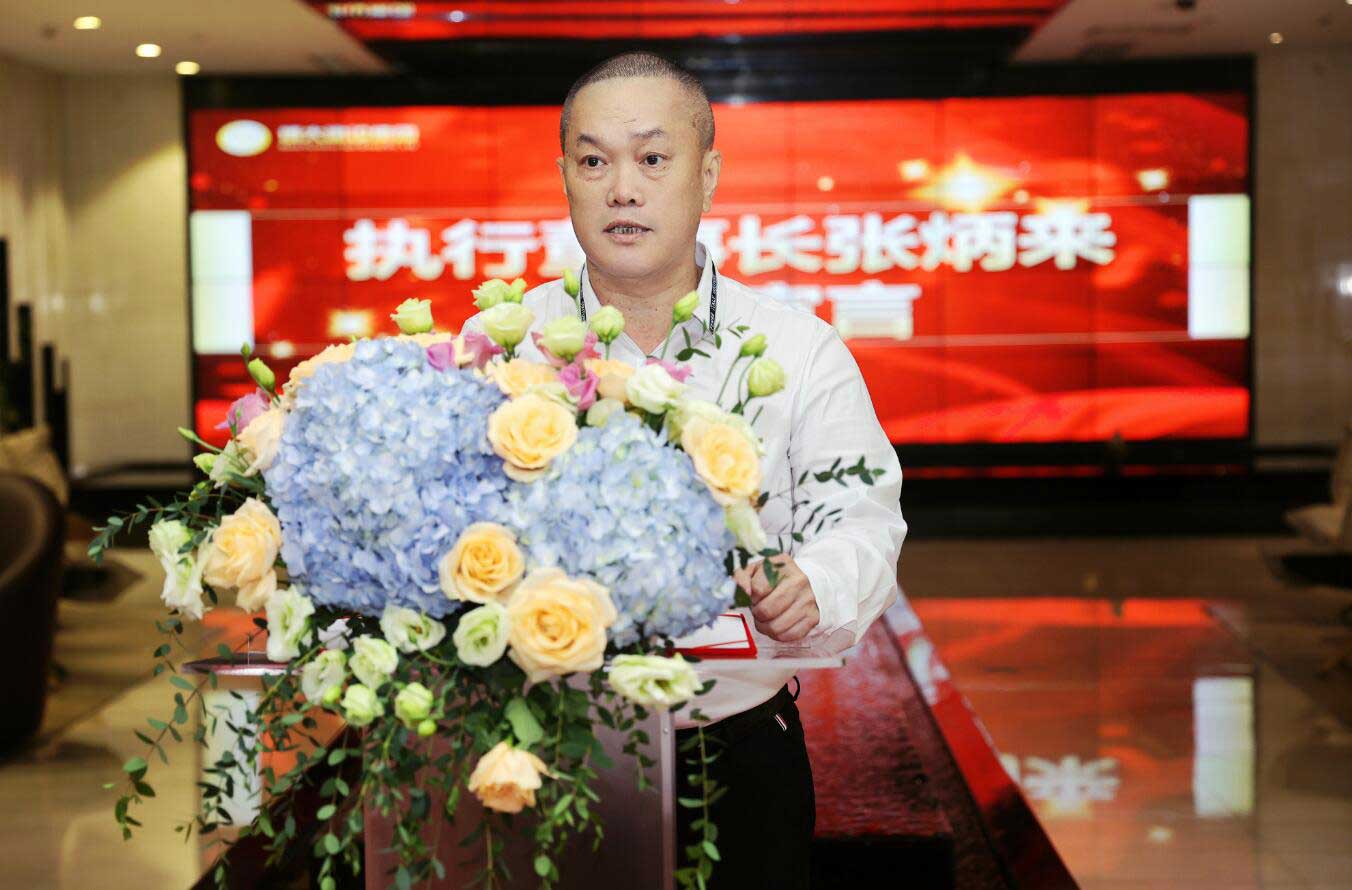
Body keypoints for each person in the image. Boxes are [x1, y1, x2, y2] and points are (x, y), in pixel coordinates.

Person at [464, 51, 906, 889]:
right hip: (542, 747)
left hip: (739, 754)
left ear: (707, 175)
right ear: (565, 178)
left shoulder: (795, 348)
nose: (622, 190)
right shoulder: (501, 346)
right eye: (594, 161)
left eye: (652, 158)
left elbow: (862, 517)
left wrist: (814, 581)